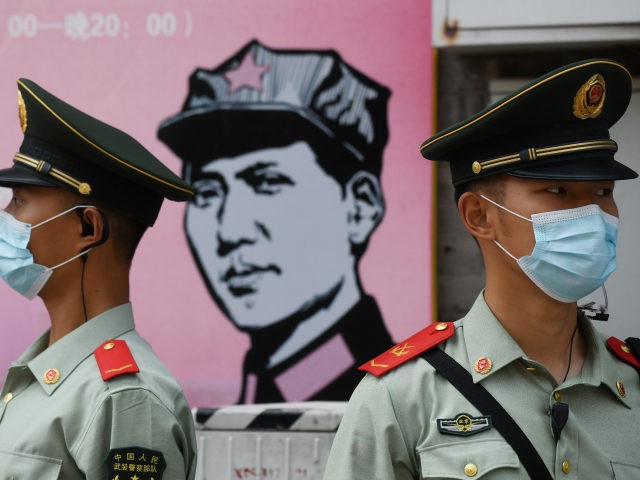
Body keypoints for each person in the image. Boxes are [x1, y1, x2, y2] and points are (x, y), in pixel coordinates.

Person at [323, 58, 640, 479]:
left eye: (603, 191)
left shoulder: (634, 388)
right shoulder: (404, 396)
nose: (592, 215)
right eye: (558, 190)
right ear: (478, 216)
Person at [158, 40, 394, 403]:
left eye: (267, 182)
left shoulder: (394, 398)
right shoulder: (262, 388)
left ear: (359, 207)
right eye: (206, 193)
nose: (230, 231)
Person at [0, 78, 197, 479]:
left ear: (88, 229)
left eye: (19, 201)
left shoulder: (123, 399)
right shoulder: (38, 376)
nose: (7, 216)